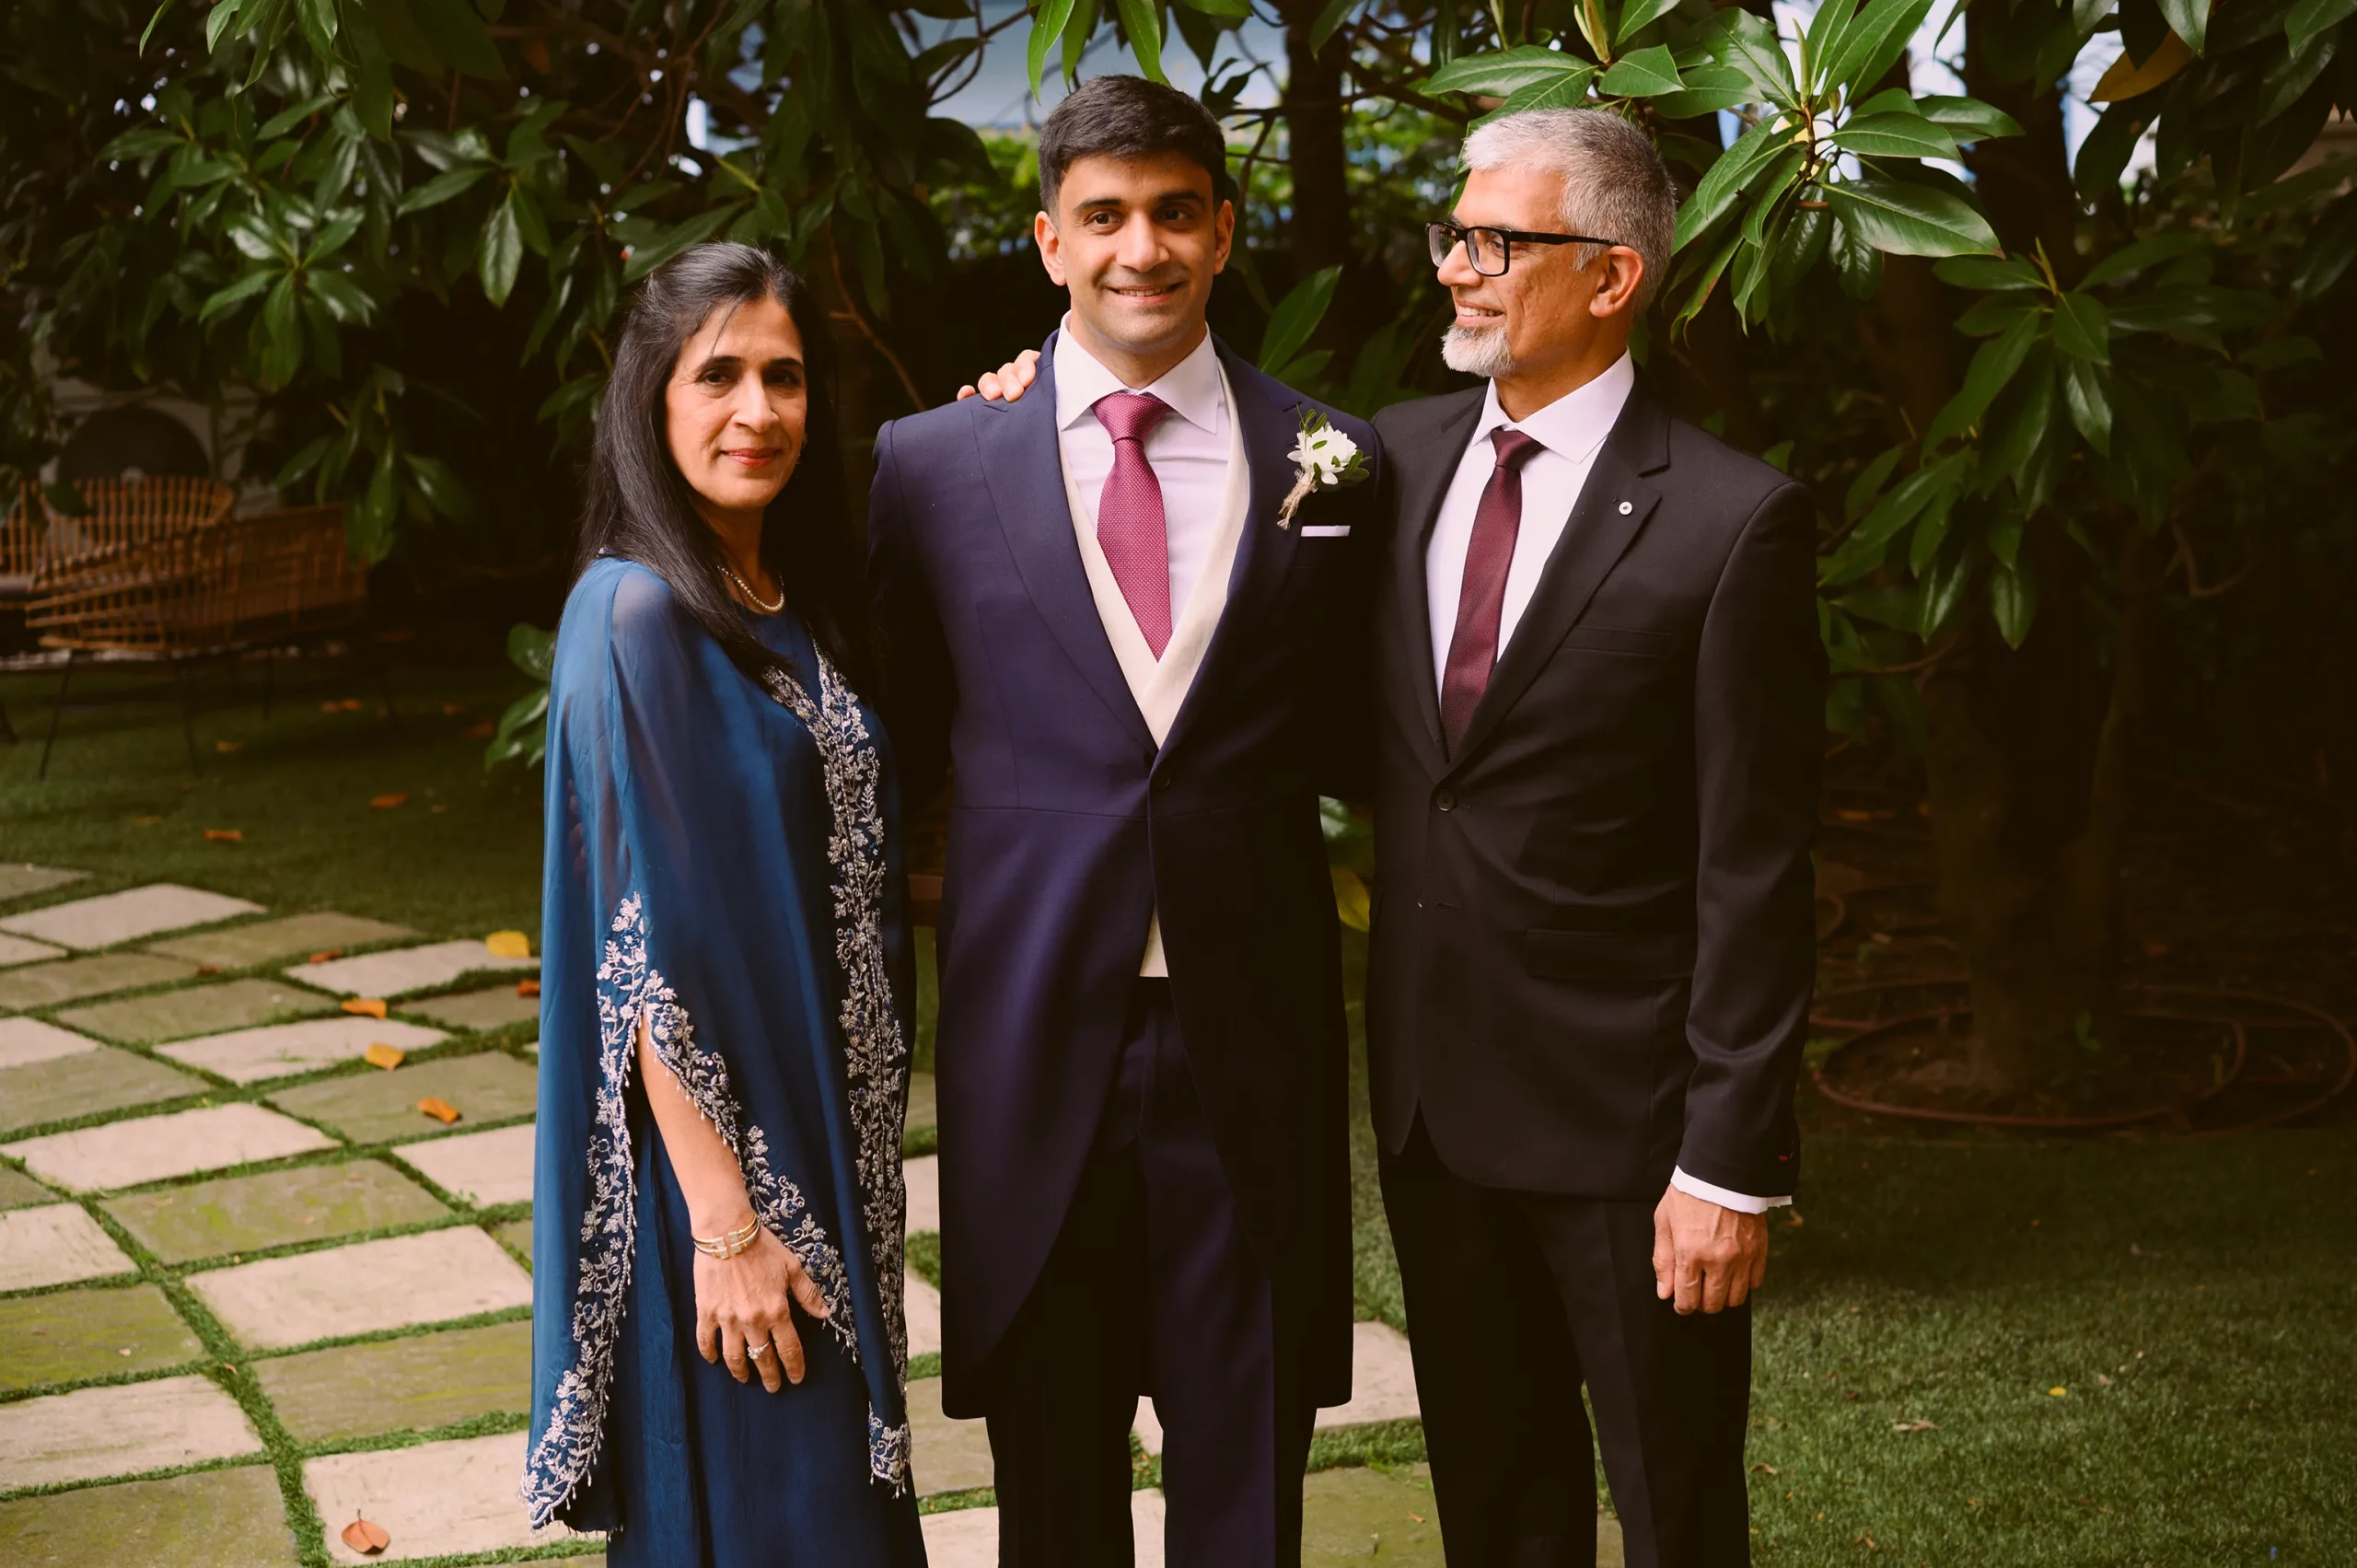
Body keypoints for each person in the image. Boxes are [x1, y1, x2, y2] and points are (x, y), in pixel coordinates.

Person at [970, 106, 1819, 1568]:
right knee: (1496, 1506)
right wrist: (1028, 398)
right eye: (1453, 236)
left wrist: (1727, 1162)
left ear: (1612, 276)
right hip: (1434, 1115)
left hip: (1631, 1129)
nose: (1453, 269)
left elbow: (1757, 863)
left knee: (1678, 1513)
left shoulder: (1734, 522)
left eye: (1496, 242)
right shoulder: (1377, 464)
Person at [870, 74, 1384, 1567]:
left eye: (1172, 213)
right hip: (1034, 1043)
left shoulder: (1339, 465)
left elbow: (1363, 731)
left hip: (1254, 1045)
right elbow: (891, 745)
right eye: (1102, 217)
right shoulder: (934, 464)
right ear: (1049, 241)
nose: (1139, 249)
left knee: (1249, 1475)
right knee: (1054, 1484)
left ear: (1223, 229)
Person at [524, 242, 925, 1566]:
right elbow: (637, 950)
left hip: (830, 1135)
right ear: (651, 395)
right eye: (720, 375)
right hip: (735, 1185)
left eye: (786, 377)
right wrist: (728, 1229)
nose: (759, 410)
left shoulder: (791, 605)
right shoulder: (635, 612)